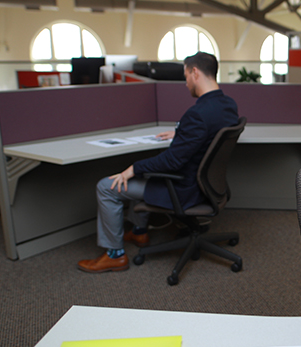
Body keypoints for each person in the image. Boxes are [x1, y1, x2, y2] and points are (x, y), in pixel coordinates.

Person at [78, 52, 239, 273]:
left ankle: (114, 255)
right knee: (145, 168)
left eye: (185, 76)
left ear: (195, 72)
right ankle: (139, 231)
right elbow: (211, 132)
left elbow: (172, 162)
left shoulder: (197, 114)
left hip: (186, 189)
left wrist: (133, 169)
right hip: (209, 186)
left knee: (107, 186)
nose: (186, 83)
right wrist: (181, 134)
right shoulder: (227, 105)